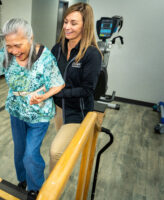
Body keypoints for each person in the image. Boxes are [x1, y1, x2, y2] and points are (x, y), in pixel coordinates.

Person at [0, 18, 65, 199]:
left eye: (18, 45)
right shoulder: (5, 55)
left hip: (39, 113)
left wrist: (45, 96)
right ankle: (23, 180)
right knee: (19, 150)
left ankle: (35, 188)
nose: (14, 51)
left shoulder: (46, 57)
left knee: (31, 154)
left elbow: (58, 84)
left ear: (30, 38)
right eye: (9, 45)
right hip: (16, 111)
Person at [49, 3, 102, 171]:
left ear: (85, 26)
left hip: (77, 112)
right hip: (58, 108)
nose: (67, 27)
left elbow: (87, 90)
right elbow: (49, 75)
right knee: (63, 150)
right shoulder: (58, 48)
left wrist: (59, 91)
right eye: (66, 22)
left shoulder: (92, 54)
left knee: (56, 152)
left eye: (73, 23)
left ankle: (50, 193)